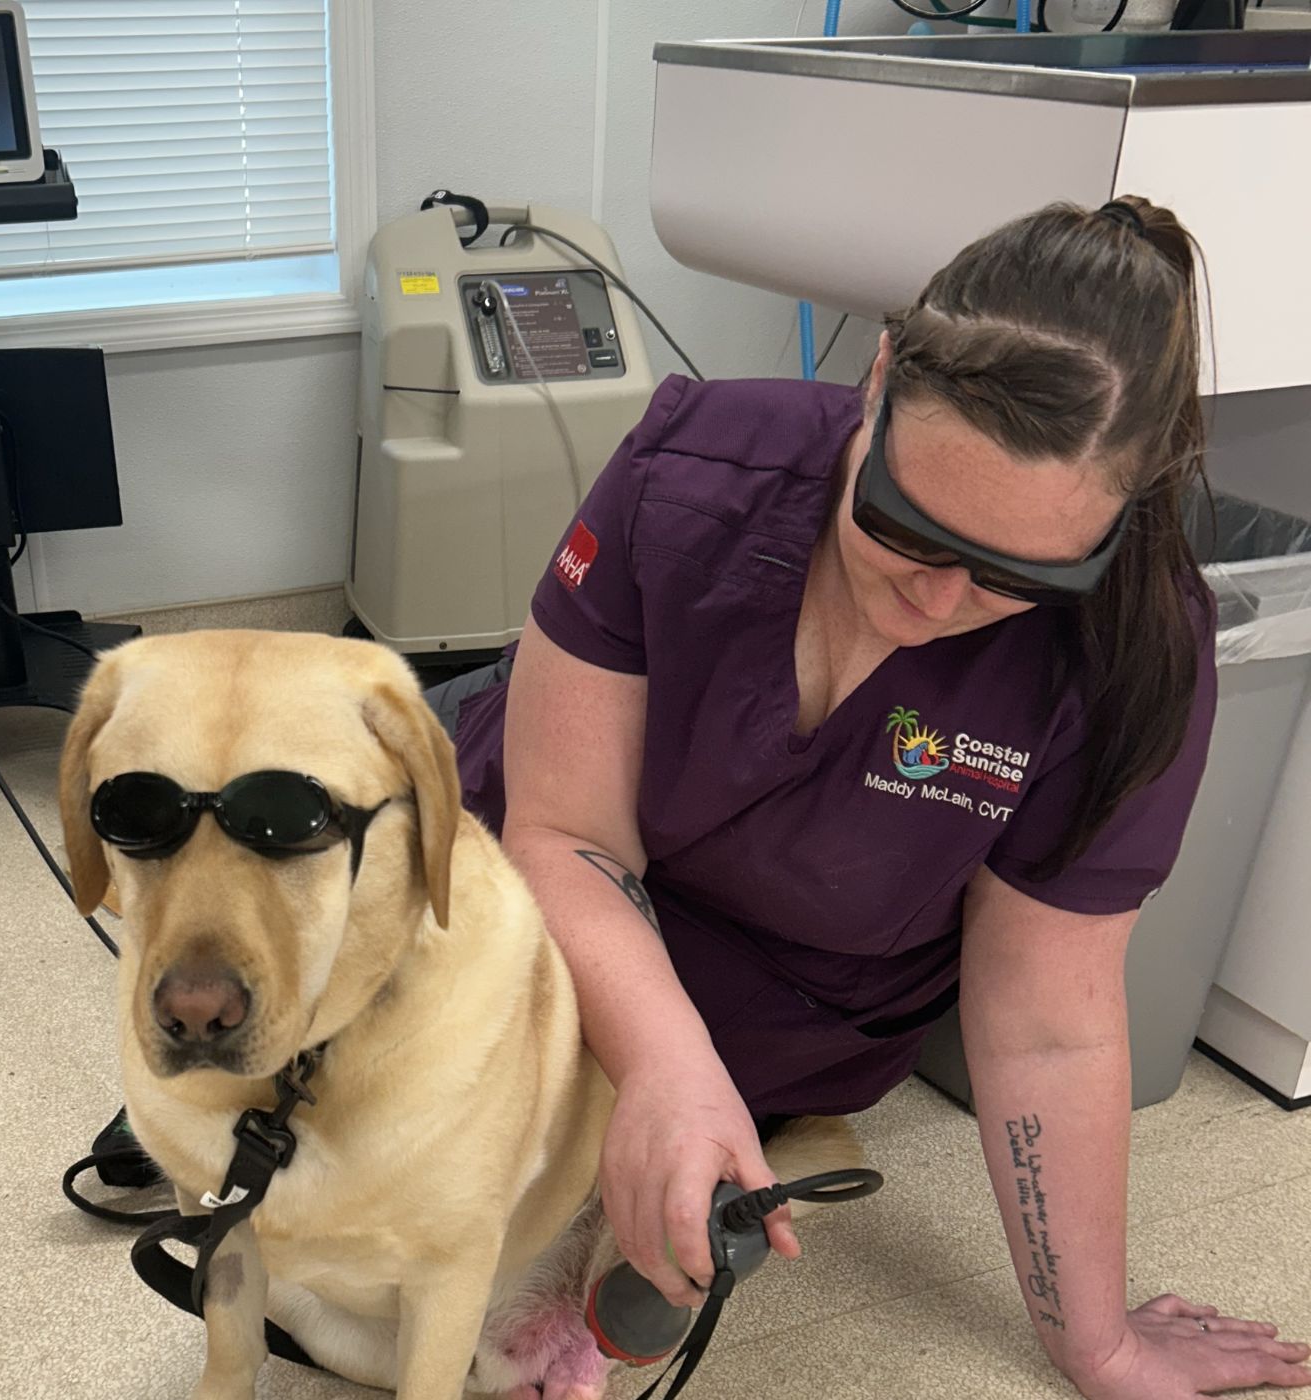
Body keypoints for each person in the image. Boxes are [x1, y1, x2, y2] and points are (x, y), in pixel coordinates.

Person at [427, 197, 1311, 1398]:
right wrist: (663, 1063)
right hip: (539, 887)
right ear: (879, 373)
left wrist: (1093, 1340)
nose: (938, 602)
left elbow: (1046, 1018)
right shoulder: (696, 468)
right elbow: (566, 832)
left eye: (1019, 576)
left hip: (792, 1002)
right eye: (904, 525)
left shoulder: (1131, 655)